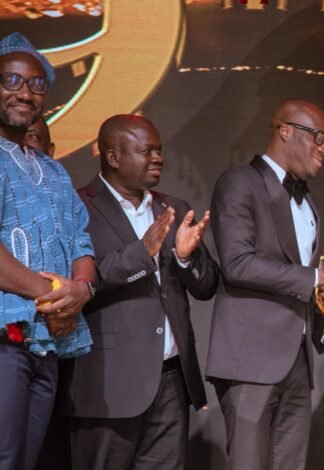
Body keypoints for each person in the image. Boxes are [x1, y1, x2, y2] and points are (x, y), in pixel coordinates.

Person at [206, 99, 324, 470]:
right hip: (250, 363)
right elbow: (237, 264)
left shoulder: (307, 203)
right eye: (318, 138)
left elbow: (299, 286)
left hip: (296, 366)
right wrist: (317, 277)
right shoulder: (240, 182)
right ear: (285, 130)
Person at [58, 115, 220, 470]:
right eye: (147, 151)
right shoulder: (77, 207)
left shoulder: (171, 207)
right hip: (108, 383)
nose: (158, 158)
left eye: (159, 150)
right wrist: (140, 252)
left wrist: (184, 256)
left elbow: (207, 286)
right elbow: (78, 284)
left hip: (171, 380)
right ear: (113, 157)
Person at [0, 32, 96, 470]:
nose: (25, 92)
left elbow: (81, 242)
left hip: (47, 343)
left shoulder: (54, 173)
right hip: (4, 341)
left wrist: (81, 291)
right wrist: (58, 293)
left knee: (26, 460)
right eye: (12, 80)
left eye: (36, 84)